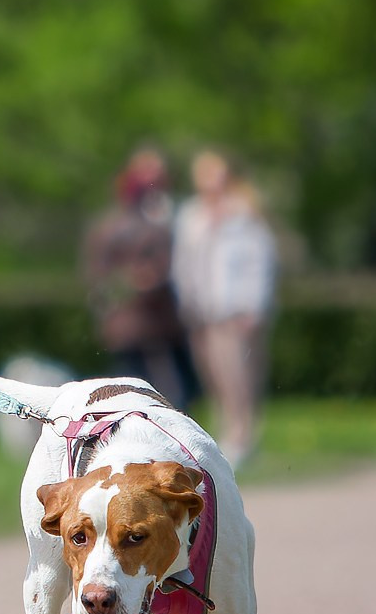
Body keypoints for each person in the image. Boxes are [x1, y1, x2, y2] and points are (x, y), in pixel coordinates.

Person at [173, 150, 278, 468]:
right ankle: (225, 434)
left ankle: (243, 434)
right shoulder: (192, 216)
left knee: (238, 376)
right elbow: (184, 262)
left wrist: (253, 307)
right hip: (202, 310)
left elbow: (259, 264)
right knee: (214, 376)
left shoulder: (245, 215)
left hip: (234, 312)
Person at [80, 148, 194, 409]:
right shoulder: (113, 226)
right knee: (134, 382)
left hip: (166, 318)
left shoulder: (173, 215)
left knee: (178, 383)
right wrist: (131, 282)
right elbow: (99, 274)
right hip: (133, 321)